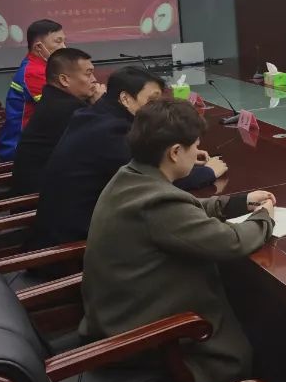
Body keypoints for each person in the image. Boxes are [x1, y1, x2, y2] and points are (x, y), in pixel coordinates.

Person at [79, 98, 274, 382]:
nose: (198, 153)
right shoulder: (156, 203)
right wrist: (264, 218)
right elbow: (230, 243)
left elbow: (183, 210)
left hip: (113, 315)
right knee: (242, 342)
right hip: (140, 337)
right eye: (194, 146)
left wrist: (236, 203)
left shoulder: (131, 177)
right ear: (174, 152)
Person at [28, 66, 227, 250]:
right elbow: (154, 179)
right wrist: (209, 171)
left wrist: (185, 155)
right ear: (125, 99)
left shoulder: (95, 116)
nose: (157, 109)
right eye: (151, 102)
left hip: (77, 224)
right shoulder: (111, 133)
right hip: (76, 245)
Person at [11, 47, 105, 194]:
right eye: (88, 74)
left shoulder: (54, 98)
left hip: (49, 184)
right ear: (64, 80)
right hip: (41, 197)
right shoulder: (66, 109)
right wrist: (101, 105)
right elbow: (102, 143)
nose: (94, 79)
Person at [0, 19, 65, 159]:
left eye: (64, 41)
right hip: (21, 149)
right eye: (58, 42)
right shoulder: (33, 72)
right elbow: (58, 110)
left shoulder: (40, 66)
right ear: (39, 47)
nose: (63, 47)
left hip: (36, 140)